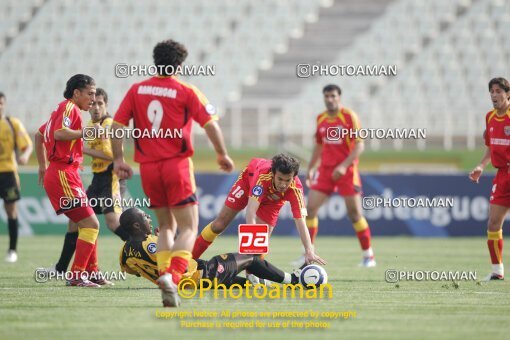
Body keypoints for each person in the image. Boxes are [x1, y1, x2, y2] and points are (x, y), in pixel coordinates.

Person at [111, 39, 234, 307]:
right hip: (176, 165)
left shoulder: (136, 89)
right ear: (179, 64)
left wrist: (119, 159)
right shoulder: (186, 90)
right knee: (189, 227)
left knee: (165, 226)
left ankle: (165, 275)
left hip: (149, 168)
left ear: (155, 60)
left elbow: (117, 126)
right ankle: (174, 276)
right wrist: (221, 153)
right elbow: (211, 125)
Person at [37, 88, 128, 278]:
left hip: (110, 178)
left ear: (107, 105)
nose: (95, 107)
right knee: (78, 222)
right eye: (93, 103)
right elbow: (45, 134)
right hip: (97, 179)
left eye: (100, 103)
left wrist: (82, 148)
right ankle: (65, 268)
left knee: (110, 223)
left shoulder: (108, 124)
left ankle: (145, 247)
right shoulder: (87, 124)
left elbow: (111, 155)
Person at [293, 84, 376, 268]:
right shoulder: (321, 118)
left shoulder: (349, 117)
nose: (329, 99)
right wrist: (312, 166)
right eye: (326, 96)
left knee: (354, 214)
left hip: (347, 171)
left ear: (339, 97)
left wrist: (344, 166)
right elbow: (319, 145)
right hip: (325, 171)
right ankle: (308, 254)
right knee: (310, 209)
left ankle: (368, 256)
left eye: (333, 96)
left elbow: (359, 145)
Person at [192, 153, 326, 267]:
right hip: (247, 183)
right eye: (280, 179)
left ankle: (252, 275)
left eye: (288, 180)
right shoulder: (263, 176)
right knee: (219, 225)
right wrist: (252, 243)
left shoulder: (296, 189)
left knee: (263, 240)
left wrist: (309, 250)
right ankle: (189, 260)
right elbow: (250, 212)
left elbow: (301, 221)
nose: (283, 184)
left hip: (273, 201)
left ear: (294, 177)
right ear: (273, 173)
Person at [35, 74, 104, 287]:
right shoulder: (68, 108)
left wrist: (42, 165)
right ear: (77, 93)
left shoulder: (62, 109)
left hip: (65, 172)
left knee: (84, 223)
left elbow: (39, 135)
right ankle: (76, 276)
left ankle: (91, 272)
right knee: (91, 223)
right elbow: (58, 133)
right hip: (63, 173)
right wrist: (86, 131)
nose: (93, 99)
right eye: (90, 93)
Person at [119, 207, 301, 287]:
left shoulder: (124, 253)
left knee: (246, 286)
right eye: (144, 216)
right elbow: (175, 257)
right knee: (251, 258)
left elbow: (131, 270)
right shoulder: (152, 243)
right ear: (136, 225)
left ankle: (264, 283)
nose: (149, 218)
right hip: (199, 276)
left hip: (192, 279)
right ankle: (294, 280)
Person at [469, 77, 510, 281]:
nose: (494, 95)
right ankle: (497, 271)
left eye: (498, 91)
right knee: (493, 224)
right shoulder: (490, 117)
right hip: (502, 176)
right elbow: (490, 147)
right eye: (492, 91)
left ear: (507, 94)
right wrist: (480, 166)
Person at [0, 92, 33, 262]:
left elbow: (27, 145)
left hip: (8, 173)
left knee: (11, 210)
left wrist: (25, 155)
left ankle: (12, 250)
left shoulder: (12, 124)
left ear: (4, 104)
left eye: (0, 103)